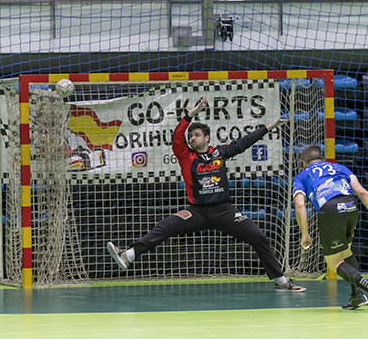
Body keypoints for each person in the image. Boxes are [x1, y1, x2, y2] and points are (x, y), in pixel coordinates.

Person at [107, 96, 306, 292]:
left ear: (207, 138)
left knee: (258, 236)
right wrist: (192, 113)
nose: (192, 138)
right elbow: (177, 135)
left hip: (225, 211)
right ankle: (128, 255)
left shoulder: (219, 153)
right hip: (197, 212)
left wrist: (269, 126)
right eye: (191, 136)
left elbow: (245, 142)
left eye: (196, 135)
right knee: (165, 227)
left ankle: (280, 280)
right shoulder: (186, 155)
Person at [292, 145, 368, 311]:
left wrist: (305, 234)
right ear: (323, 159)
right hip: (351, 206)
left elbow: (300, 205)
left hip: (330, 209)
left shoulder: (302, 176)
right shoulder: (339, 167)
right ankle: (356, 295)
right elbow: (361, 192)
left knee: (333, 263)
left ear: (303, 163)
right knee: (346, 252)